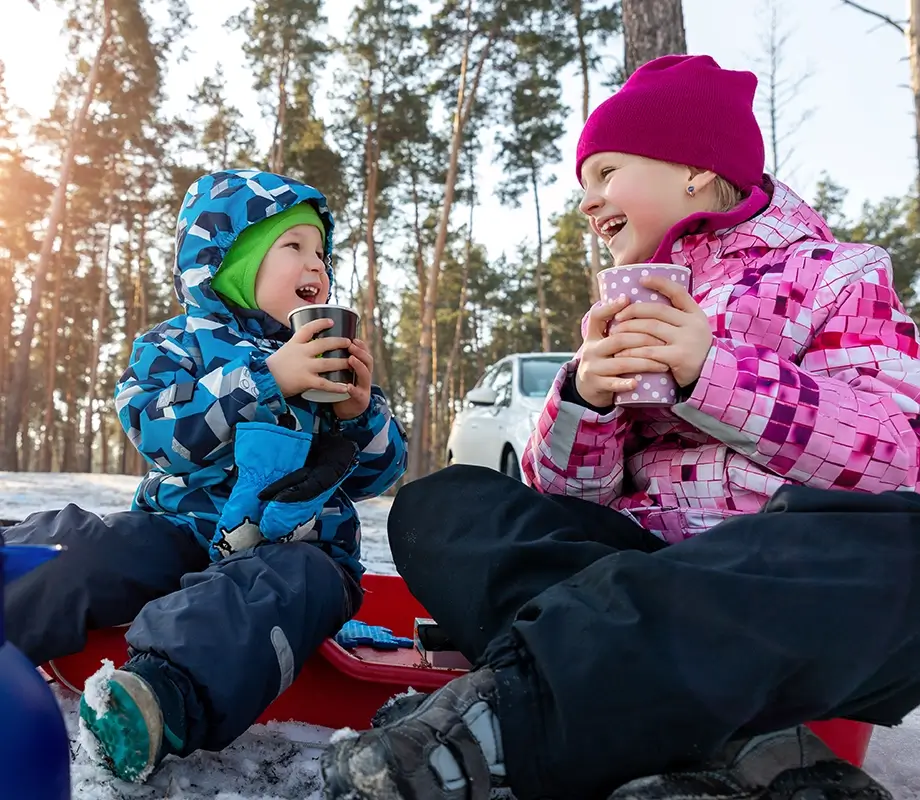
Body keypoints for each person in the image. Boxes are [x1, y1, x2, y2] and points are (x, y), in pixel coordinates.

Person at [320, 56, 920, 800]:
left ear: (696, 167)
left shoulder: (838, 276)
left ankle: (516, 713)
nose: (588, 201)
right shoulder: (630, 304)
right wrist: (585, 402)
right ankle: (744, 750)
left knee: (906, 546)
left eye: (605, 172)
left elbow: (896, 457)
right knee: (442, 505)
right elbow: (559, 502)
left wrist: (713, 374)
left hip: (767, 578)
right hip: (641, 573)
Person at [1, 169, 407, 783]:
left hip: (298, 551)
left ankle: (157, 699)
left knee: (291, 587)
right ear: (229, 261)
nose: (316, 264)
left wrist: (360, 415)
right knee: (90, 546)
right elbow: (161, 435)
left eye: (322, 251)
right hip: (178, 526)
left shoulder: (328, 359)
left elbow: (380, 474)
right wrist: (266, 379)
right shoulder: (175, 345)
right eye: (293, 246)